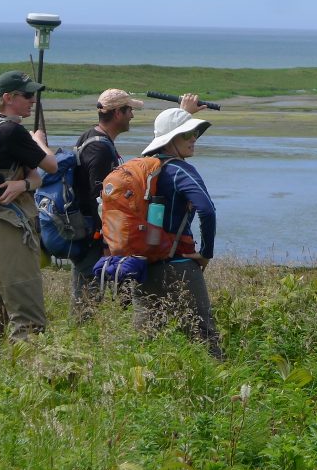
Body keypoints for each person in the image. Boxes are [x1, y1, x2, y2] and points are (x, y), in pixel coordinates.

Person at [0, 70, 57, 354]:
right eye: (27, 95)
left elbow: (35, 178)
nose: (33, 101)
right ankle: (28, 389)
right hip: (10, 229)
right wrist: (38, 141)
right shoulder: (12, 131)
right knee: (30, 321)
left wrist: (25, 182)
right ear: (8, 98)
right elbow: (51, 166)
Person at [133, 104, 222, 358]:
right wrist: (206, 253)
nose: (193, 138)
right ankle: (221, 385)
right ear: (171, 139)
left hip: (142, 263)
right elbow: (207, 210)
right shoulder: (180, 170)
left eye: (194, 133)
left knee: (146, 337)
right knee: (202, 333)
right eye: (187, 134)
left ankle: (140, 387)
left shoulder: (141, 168)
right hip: (179, 263)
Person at [68, 88, 143, 320]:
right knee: (88, 300)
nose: (132, 115)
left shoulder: (91, 136)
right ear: (118, 113)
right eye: (129, 110)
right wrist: (108, 242)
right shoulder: (99, 149)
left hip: (87, 231)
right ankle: (78, 344)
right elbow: (99, 199)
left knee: (88, 295)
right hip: (94, 237)